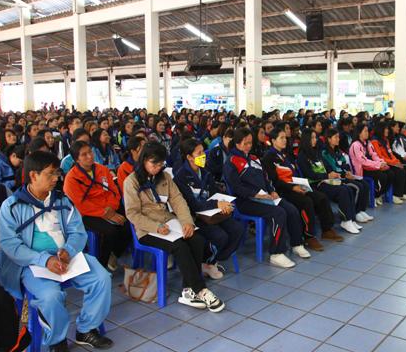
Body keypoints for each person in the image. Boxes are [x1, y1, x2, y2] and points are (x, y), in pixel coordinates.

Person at [0, 151, 113, 352]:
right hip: (33, 264)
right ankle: (56, 339)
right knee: (50, 296)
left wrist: (68, 250)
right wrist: (44, 259)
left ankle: (85, 328)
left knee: (102, 278)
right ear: (33, 176)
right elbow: (11, 245)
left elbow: (77, 231)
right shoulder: (12, 206)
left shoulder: (62, 201)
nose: (56, 179)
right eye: (50, 174)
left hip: (66, 256)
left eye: (57, 173)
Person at [124, 142, 225, 312]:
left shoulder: (165, 178)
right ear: (143, 161)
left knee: (197, 239)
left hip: (169, 223)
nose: (157, 168)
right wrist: (156, 227)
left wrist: (187, 222)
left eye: (160, 164)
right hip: (148, 229)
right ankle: (200, 290)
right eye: (153, 164)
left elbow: (178, 201)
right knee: (180, 247)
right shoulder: (131, 182)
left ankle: (187, 291)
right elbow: (133, 214)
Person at [223, 128, 306, 268]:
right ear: (237, 143)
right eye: (246, 143)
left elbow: (266, 179)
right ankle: (276, 253)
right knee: (278, 213)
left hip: (265, 197)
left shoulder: (254, 158)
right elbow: (236, 187)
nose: (249, 146)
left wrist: (272, 191)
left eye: (250, 143)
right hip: (246, 201)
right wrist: (255, 195)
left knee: (290, 209)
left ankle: (296, 243)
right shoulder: (231, 161)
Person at [174, 139, 244, 279]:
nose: (203, 156)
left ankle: (213, 261)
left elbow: (214, 193)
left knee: (237, 229)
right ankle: (208, 262)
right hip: (196, 217)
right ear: (189, 157)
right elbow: (193, 205)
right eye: (199, 153)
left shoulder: (205, 172)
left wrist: (224, 203)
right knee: (220, 236)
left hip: (211, 213)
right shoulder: (181, 177)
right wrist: (216, 204)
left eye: (203, 152)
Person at [262, 128, 343, 250]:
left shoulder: (284, 155)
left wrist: (300, 184)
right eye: (281, 138)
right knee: (306, 202)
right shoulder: (269, 157)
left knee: (320, 197)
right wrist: (293, 187)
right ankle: (309, 237)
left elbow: (292, 174)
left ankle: (327, 230)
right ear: (273, 140)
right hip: (283, 190)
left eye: (285, 138)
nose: (285, 140)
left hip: (294, 185)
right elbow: (275, 181)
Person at [63, 141, 130, 271]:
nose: (89, 156)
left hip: (109, 206)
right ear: (77, 159)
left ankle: (114, 254)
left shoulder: (102, 169)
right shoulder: (71, 178)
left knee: (130, 223)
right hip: (88, 213)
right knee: (110, 231)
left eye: (90, 152)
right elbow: (80, 205)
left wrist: (112, 207)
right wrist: (104, 213)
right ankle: (101, 265)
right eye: (84, 155)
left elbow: (114, 192)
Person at [298, 129, 362, 234]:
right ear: (306, 139)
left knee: (348, 189)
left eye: (315, 137)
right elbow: (309, 174)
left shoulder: (316, 152)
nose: (315, 140)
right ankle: (346, 221)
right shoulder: (302, 156)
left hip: (326, 180)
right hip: (316, 184)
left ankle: (351, 219)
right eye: (312, 138)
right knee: (343, 191)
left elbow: (326, 167)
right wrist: (327, 175)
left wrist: (332, 173)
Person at [322, 128, 373, 221]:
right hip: (337, 178)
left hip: (344, 175)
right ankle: (355, 212)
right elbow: (332, 167)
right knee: (357, 187)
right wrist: (344, 173)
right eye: (335, 137)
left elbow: (345, 164)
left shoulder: (338, 151)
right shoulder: (325, 153)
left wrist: (348, 171)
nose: (338, 139)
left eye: (338, 137)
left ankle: (361, 210)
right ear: (329, 139)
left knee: (364, 184)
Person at [369, 121, 406, 202]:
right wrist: (394, 163)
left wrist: (397, 161)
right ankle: (396, 195)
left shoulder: (385, 140)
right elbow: (380, 157)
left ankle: (404, 192)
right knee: (400, 171)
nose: (387, 130)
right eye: (385, 129)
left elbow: (390, 153)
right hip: (383, 163)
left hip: (391, 162)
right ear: (380, 129)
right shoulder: (374, 142)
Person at [349, 123, 391, 206]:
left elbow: (374, 155)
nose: (367, 133)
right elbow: (363, 161)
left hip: (370, 166)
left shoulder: (368, 143)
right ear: (359, 133)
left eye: (367, 131)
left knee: (390, 173)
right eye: (365, 131)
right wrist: (378, 165)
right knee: (381, 176)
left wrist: (381, 162)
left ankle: (380, 194)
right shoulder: (355, 145)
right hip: (361, 170)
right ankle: (375, 195)